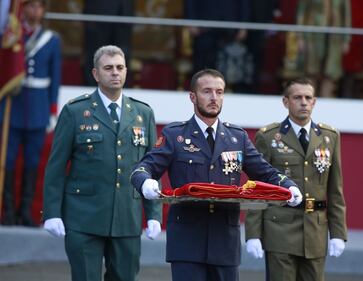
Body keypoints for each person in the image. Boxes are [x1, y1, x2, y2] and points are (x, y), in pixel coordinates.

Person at [130, 68, 303, 281]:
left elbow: (264, 171)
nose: (214, 98)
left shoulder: (236, 137)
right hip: (187, 243)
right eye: (207, 91)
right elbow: (143, 167)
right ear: (192, 96)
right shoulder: (175, 135)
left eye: (219, 92)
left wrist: (288, 185)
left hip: (224, 242)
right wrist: (145, 182)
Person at [42, 45, 162, 281]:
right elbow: (56, 167)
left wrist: (154, 214)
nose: (115, 73)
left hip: (127, 218)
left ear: (126, 71)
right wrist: (52, 212)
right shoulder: (75, 111)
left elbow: (151, 169)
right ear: (96, 74)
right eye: (108, 68)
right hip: (84, 217)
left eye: (119, 67)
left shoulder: (142, 113)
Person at [244, 77, 347, 281]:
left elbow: (335, 190)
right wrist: (253, 233)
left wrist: (338, 232)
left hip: (315, 230)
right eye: (297, 97)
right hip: (279, 229)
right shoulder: (268, 137)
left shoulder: (330, 137)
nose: (303, 102)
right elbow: (258, 187)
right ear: (286, 102)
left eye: (308, 98)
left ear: (314, 102)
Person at [0, 0, 60, 226]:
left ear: (44, 11)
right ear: (22, 9)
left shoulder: (52, 40)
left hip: (38, 107)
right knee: (9, 159)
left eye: (39, 7)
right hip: (12, 106)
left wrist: (52, 109)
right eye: (30, 6)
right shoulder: (10, 36)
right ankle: (7, 211)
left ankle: (25, 211)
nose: (34, 11)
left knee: (32, 162)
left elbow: (55, 77)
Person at [83, 0, 135, 86]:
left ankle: (122, 87)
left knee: (123, 55)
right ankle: (92, 88)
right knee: (96, 54)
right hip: (98, 13)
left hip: (124, 12)